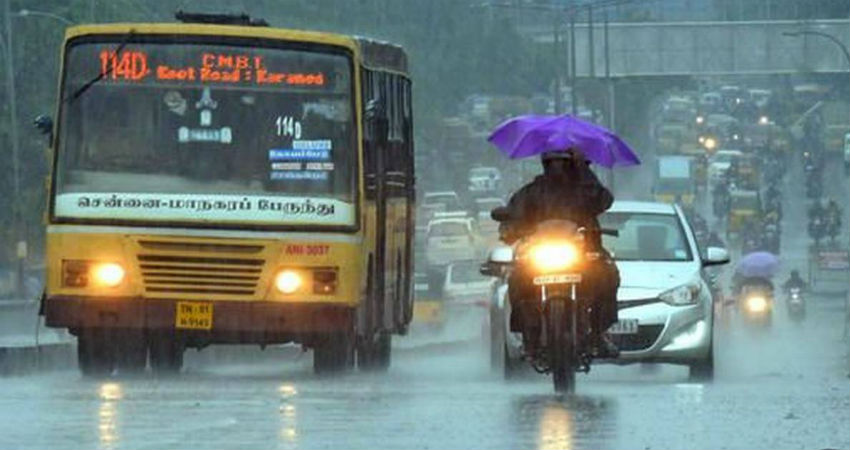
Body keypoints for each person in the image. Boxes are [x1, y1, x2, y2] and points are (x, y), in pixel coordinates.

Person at [497, 149, 620, 358]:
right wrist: (509, 227)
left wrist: (585, 170)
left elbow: (604, 200)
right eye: (552, 162)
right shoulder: (533, 191)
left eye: (563, 162)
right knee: (517, 279)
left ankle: (598, 333)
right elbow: (513, 214)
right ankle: (529, 335)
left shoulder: (584, 189)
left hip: (583, 252)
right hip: (540, 255)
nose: (557, 167)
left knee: (608, 274)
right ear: (545, 164)